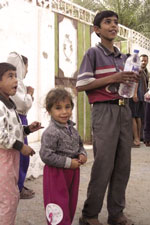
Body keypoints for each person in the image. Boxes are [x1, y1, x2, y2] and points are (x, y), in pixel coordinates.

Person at [76, 10, 139, 225]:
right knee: (103, 164)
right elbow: (81, 84)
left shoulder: (124, 58)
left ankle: (116, 213)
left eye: (116, 22)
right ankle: (90, 214)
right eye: (107, 22)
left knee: (123, 164)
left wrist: (131, 81)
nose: (113, 26)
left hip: (124, 109)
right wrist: (115, 77)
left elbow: (124, 83)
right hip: (104, 111)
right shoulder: (93, 54)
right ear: (97, 29)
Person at [0, 62, 42, 225]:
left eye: (16, 76)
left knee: (9, 196)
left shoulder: (9, 105)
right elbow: (1, 136)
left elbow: (12, 131)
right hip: (4, 159)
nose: (16, 80)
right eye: (10, 76)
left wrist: (28, 130)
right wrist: (21, 146)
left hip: (11, 159)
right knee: (9, 200)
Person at [40, 88, 87, 225]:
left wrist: (82, 154)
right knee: (57, 206)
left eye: (67, 107)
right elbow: (46, 155)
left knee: (70, 203)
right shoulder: (51, 132)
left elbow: (80, 146)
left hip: (72, 173)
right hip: (56, 174)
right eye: (58, 108)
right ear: (49, 111)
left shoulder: (72, 129)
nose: (64, 112)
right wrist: (68, 163)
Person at [7, 52, 35, 199]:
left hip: (21, 122)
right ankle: (16, 188)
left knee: (21, 158)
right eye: (26, 66)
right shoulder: (15, 84)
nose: (27, 70)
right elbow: (23, 103)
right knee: (20, 156)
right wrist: (30, 94)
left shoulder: (19, 83)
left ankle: (19, 185)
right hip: (19, 118)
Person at [129, 54, 149, 147]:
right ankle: (138, 138)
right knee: (136, 117)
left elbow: (135, 82)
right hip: (138, 96)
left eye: (145, 60)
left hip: (139, 96)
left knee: (135, 117)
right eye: (142, 60)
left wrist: (135, 93)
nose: (143, 62)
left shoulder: (143, 71)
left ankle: (137, 139)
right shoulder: (139, 70)